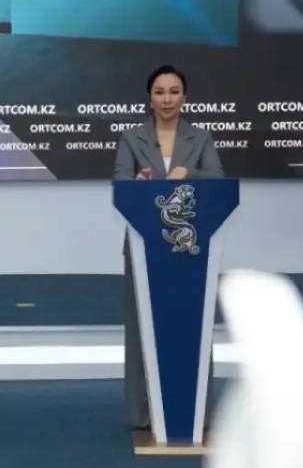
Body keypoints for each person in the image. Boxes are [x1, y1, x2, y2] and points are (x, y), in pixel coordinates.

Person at [113, 64, 223, 430]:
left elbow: (218, 181)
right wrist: (139, 183)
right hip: (144, 245)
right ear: (149, 98)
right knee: (142, 328)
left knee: (192, 328)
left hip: (190, 247)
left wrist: (188, 173)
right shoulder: (132, 138)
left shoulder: (201, 138)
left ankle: (196, 410)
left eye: (174, 91)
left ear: (184, 97)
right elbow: (120, 185)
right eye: (159, 92)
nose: (167, 99)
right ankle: (143, 413)